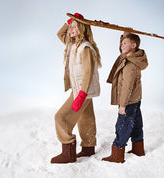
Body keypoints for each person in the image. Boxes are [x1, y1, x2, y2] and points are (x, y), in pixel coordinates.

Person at [51, 13, 102, 164]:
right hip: (80, 89)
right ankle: (88, 148)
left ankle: (68, 152)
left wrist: (81, 95)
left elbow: (88, 74)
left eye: (74, 27)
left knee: (61, 117)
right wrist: (70, 21)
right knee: (86, 118)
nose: (70, 29)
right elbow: (60, 33)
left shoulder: (85, 48)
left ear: (82, 29)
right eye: (70, 26)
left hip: (82, 90)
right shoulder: (72, 44)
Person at [102, 32, 148, 163]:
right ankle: (138, 149)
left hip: (128, 100)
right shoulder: (135, 57)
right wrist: (125, 35)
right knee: (136, 124)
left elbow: (127, 87)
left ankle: (117, 154)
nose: (122, 45)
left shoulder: (129, 66)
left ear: (133, 45)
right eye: (121, 43)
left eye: (124, 43)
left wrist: (122, 105)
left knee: (123, 125)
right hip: (136, 98)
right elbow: (123, 48)